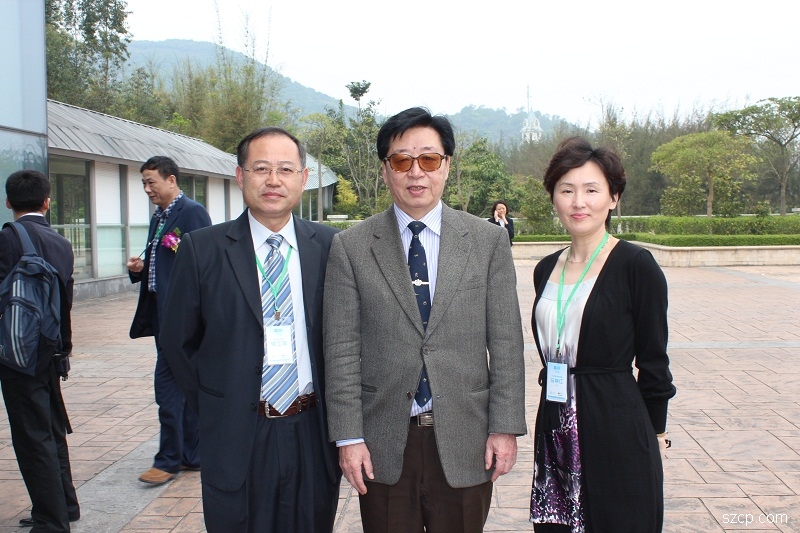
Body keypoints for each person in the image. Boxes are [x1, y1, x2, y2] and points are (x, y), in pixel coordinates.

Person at [323, 107, 526, 533]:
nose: (416, 172)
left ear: (446, 166)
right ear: (385, 170)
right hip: (382, 440)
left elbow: (507, 342)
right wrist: (349, 437)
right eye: (402, 160)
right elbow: (340, 350)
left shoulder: (487, 242)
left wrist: (505, 427)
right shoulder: (351, 247)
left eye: (429, 159)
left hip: (467, 437)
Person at [158, 127, 341, 532]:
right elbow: (177, 341)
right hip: (236, 431)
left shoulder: (332, 247)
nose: (273, 180)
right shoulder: (202, 248)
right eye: (261, 169)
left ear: (303, 179)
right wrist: (217, 402)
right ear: (240, 176)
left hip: (312, 429)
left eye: (285, 169)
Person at [529, 137, 676, 532]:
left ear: (613, 198)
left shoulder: (636, 265)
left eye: (592, 190)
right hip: (555, 423)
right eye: (567, 190)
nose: (579, 202)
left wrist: (656, 430)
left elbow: (654, 361)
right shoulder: (545, 269)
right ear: (554, 197)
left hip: (615, 426)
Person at [0, 170, 79, 531]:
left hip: (19, 355)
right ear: (47, 201)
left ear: (8, 202)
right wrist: (63, 349)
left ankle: (50, 520)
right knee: (51, 428)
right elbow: (66, 301)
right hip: (50, 350)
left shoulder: (7, 240)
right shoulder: (61, 243)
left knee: (32, 437)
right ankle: (66, 506)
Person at [126, 156, 212, 485]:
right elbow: (165, 259)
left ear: (171, 180)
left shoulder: (191, 212)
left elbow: (204, 262)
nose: (147, 189)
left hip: (182, 317)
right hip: (161, 313)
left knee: (167, 389)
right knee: (183, 386)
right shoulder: (159, 217)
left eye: (152, 182)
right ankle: (191, 455)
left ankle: (168, 460)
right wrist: (140, 269)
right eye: (144, 183)